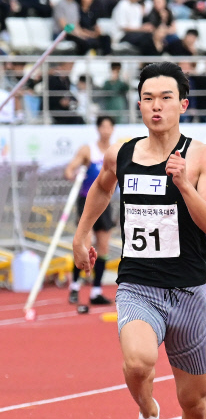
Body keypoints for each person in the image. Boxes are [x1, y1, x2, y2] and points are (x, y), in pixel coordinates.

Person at [71, 61, 206, 419]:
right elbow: (100, 189)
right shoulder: (125, 153)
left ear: (183, 104)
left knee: (195, 403)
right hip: (138, 286)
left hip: (189, 293)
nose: (156, 106)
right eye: (148, 98)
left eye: (165, 98)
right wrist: (80, 237)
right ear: (139, 104)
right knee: (138, 363)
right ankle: (147, 411)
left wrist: (182, 183)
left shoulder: (203, 156)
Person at [64, 115, 118, 306]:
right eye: (102, 127)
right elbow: (70, 169)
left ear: (112, 129)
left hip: (106, 203)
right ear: (98, 129)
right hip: (87, 202)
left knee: (103, 247)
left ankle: (96, 291)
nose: (106, 130)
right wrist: (73, 173)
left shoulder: (115, 151)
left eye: (109, 127)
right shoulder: (88, 149)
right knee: (84, 245)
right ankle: (75, 287)